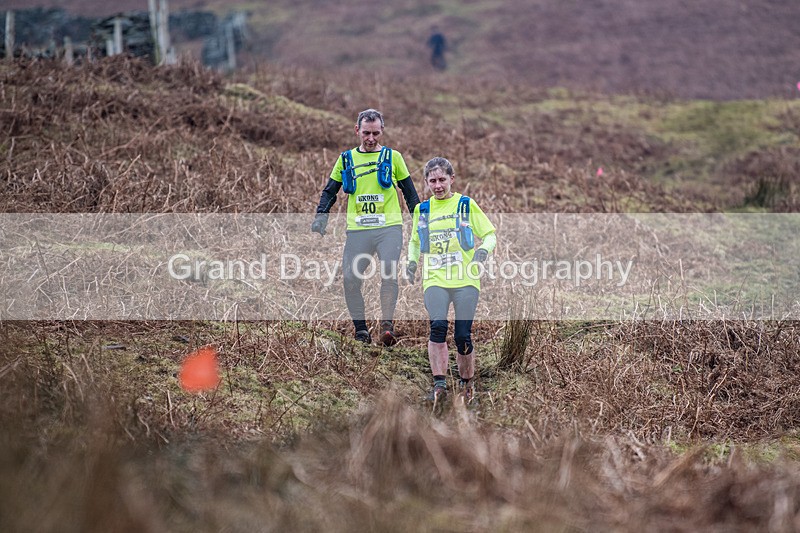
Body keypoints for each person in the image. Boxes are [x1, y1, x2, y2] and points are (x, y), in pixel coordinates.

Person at [311, 109, 420, 346]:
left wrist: (420, 221)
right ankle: (361, 330)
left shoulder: (393, 157)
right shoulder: (346, 159)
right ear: (357, 130)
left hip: (388, 228)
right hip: (358, 231)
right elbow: (330, 191)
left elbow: (410, 193)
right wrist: (321, 216)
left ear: (382, 131)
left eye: (376, 133)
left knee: (388, 274)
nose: (371, 138)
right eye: (366, 133)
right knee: (350, 279)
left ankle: (387, 327)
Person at [406, 157, 496, 405]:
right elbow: (414, 241)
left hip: (466, 280)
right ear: (426, 182)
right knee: (437, 326)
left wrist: (482, 251)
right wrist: (411, 262)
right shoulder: (422, 210)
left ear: (452, 179)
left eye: (442, 180)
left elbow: (490, 234)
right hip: (435, 279)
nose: (437, 186)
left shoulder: (465, 205)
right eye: (432, 181)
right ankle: (439, 386)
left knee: (462, 335)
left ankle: (467, 386)